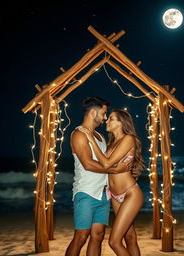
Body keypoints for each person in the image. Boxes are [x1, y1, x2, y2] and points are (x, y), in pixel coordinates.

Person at [65, 97, 132, 256]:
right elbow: (88, 164)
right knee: (81, 237)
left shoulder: (100, 137)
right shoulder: (78, 134)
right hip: (86, 193)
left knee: (98, 236)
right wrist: (115, 171)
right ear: (93, 112)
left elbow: (107, 161)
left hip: (104, 194)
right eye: (103, 113)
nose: (104, 117)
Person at [79, 108, 145, 256]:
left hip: (130, 194)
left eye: (111, 119)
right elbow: (104, 165)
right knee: (129, 237)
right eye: (107, 118)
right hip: (114, 195)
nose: (106, 121)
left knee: (114, 242)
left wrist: (90, 140)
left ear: (122, 123)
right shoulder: (111, 143)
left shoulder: (128, 139)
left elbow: (107, 164)